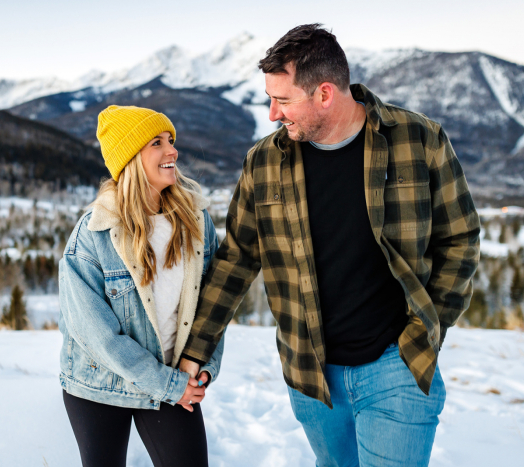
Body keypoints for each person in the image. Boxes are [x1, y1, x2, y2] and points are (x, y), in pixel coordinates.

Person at [179, 24, 480, 466]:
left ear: (324, 94)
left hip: (397, 364)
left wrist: (427, 329)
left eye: (282, 100)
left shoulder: (419, 140)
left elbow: (460, 239)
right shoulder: (263, 162)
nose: (272, 114)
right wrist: (196, 350)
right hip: (310, 374)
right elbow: (236, 260)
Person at [58, 105, 223, 467]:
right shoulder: (95, 233)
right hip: (100, 385)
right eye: (157, 143)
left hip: (172, 379)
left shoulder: (196, 221)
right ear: (130, 158)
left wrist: (204, 365)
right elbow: (96, 335)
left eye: (172, 140)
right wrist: (168, 384)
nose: (172, 151)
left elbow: (214, 303)